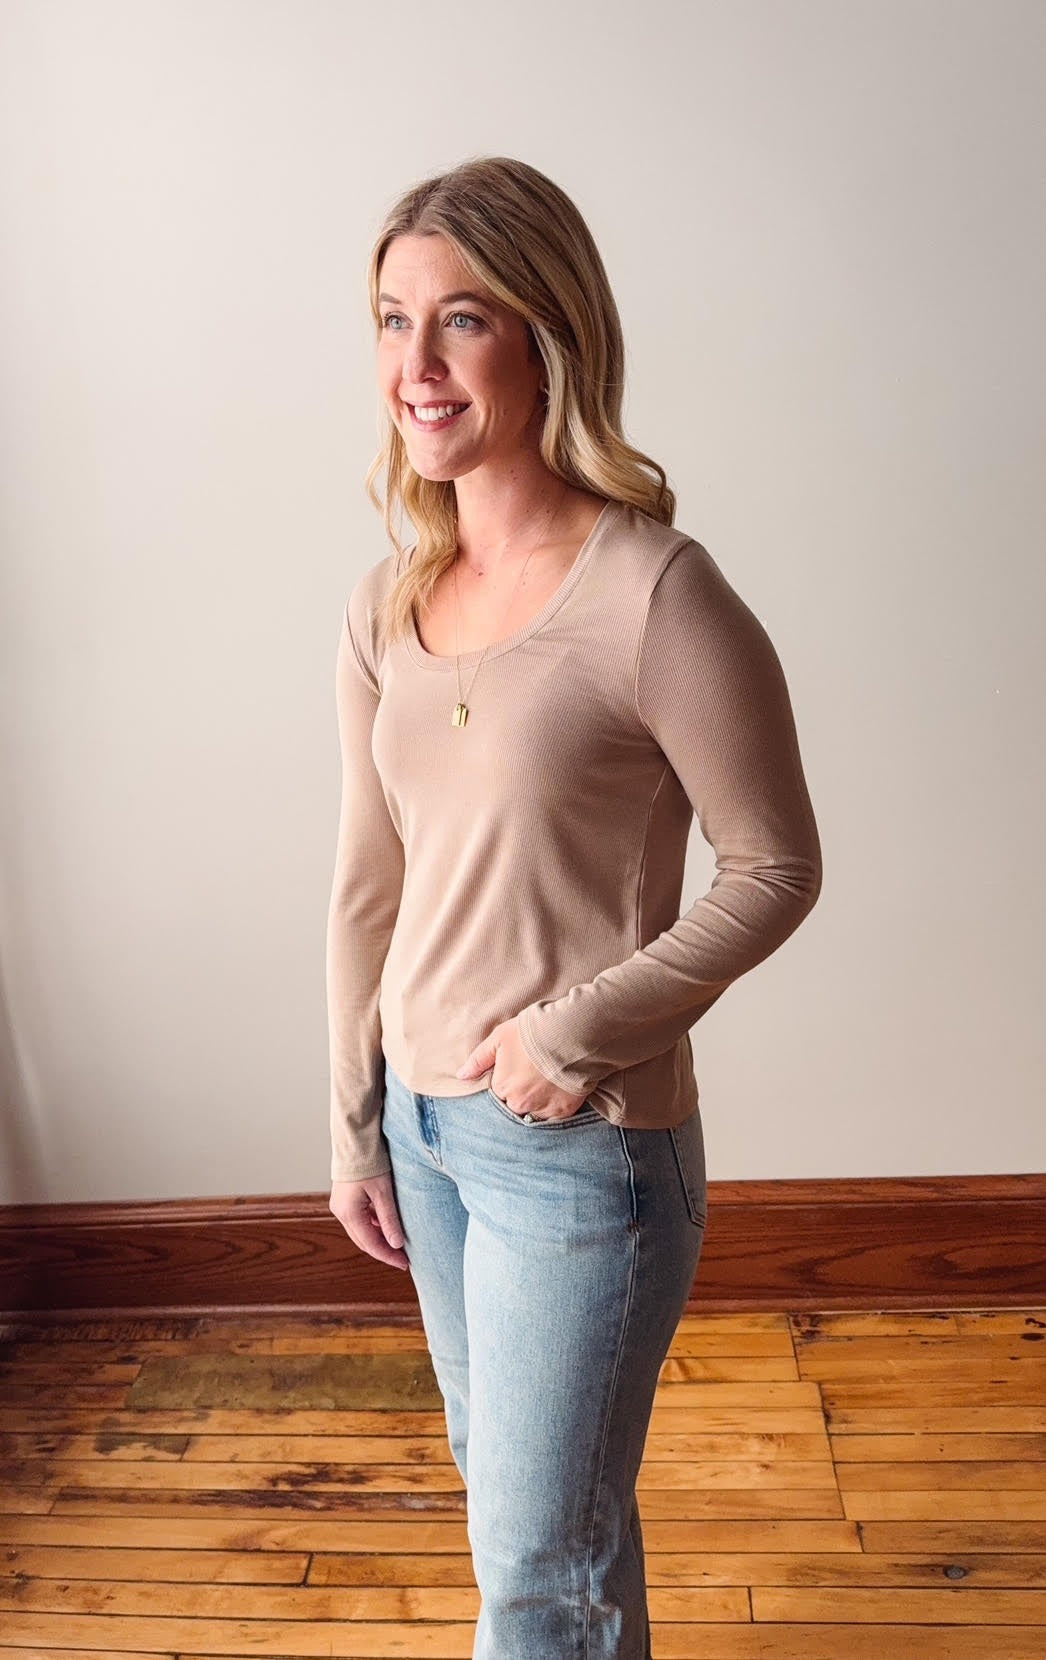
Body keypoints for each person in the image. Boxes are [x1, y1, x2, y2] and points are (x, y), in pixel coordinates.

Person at [326, 154, 822, 1660]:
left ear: (547, 336)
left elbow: (775, 865)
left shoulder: (654, 592)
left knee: (537, 1563)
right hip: (422, 1128)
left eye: (460, 320)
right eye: (391, 319)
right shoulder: (384, 597)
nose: (416, 366)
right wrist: (351, 1117)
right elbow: (368, 878)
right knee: (536, 1527)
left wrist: (576, 1031)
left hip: (574, 1149)